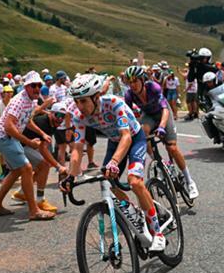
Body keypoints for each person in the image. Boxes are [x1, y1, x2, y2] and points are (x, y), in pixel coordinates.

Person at [61, 74, 167, 252]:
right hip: (114, 142)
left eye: (84, 101)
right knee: (109, 182)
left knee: (134, 181)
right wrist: (71, 176)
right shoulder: (79, 115)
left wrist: (115, 162)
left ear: (96, 97)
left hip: (134, 139)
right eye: (76, 101)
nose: (80, 106)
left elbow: (126, 136)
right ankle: (134, 212)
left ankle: (158, 233)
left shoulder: (113, 103)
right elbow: (78, 148)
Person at [0, 71, 59, 220]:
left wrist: (41, 133)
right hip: (2, 137)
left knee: (17, 171)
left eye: (39, 85)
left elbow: (27, 120)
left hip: (8, 137)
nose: (37, 88)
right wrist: (29, 142)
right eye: (33, 85)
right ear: (26, 87)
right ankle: (34, 211)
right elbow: (8, 126)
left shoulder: (31, 100)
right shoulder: (19, 101)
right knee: (26, 168)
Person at [124, 66, 198, 199]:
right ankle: (160, 163)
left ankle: (190, 181)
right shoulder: (129, 95)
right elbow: (129, 116)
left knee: (172, 147)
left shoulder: (153, 87)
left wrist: (162, 127)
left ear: (142, 80)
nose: (133, 85)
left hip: (163, 112)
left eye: (135, 81)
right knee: (143, 133)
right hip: (148, 115)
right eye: (130, 82)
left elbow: (164, 108)